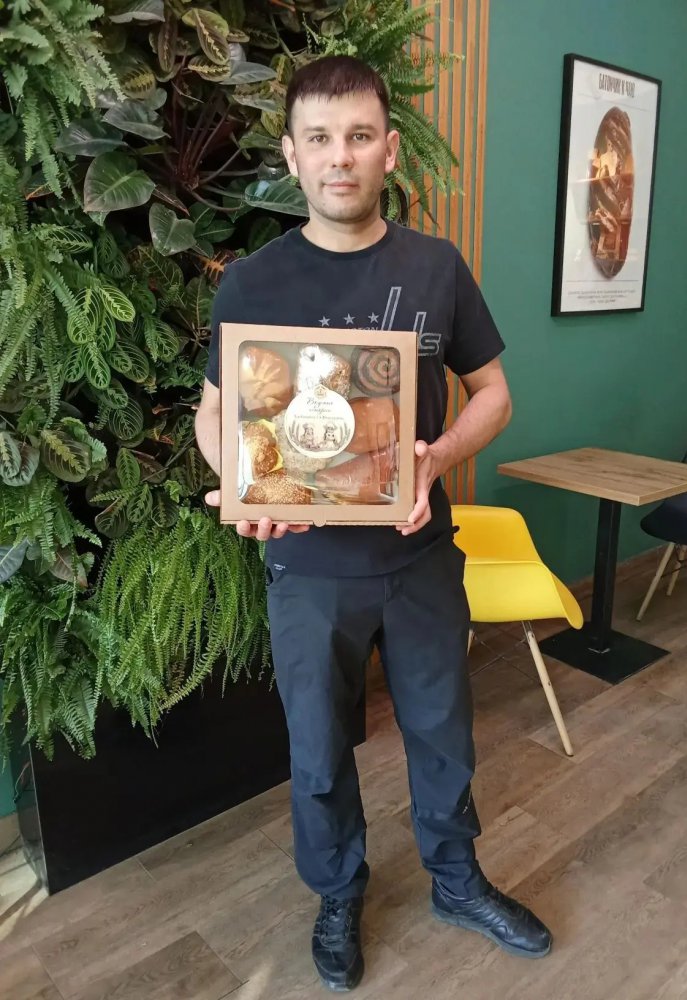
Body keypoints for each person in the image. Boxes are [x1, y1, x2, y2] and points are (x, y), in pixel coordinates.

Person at [196, 54, 552, 993]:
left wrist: (437, 457)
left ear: (389, 149)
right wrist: (244, 485)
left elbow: (494, 393)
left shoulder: (436, 267)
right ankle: (338, 893)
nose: (339, 156)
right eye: (319, 138)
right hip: (307, 570)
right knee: (317, 750)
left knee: (443, 733)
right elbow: (213, 410)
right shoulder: (252, 284)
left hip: (419, 555)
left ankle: (457, 880)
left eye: (358, 136)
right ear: (292, 155)